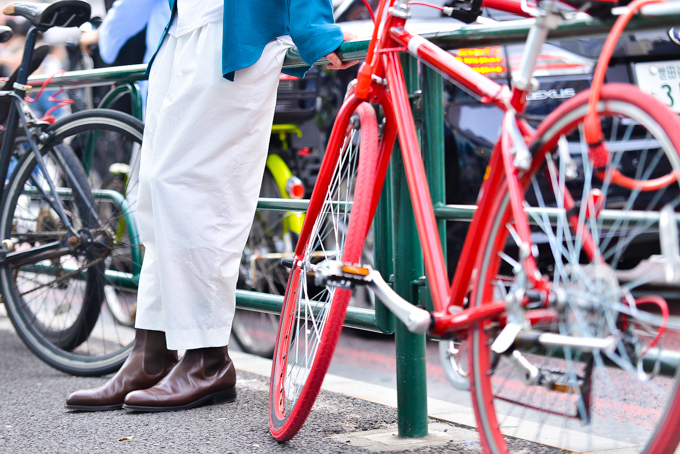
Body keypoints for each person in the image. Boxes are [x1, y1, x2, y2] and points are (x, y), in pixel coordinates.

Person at [65, 0, 356, 412]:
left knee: (198, 189)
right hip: (181, 26)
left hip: (234, 28)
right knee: (154, 189)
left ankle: (208, 359)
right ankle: (151, 352)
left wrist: (316, 29)